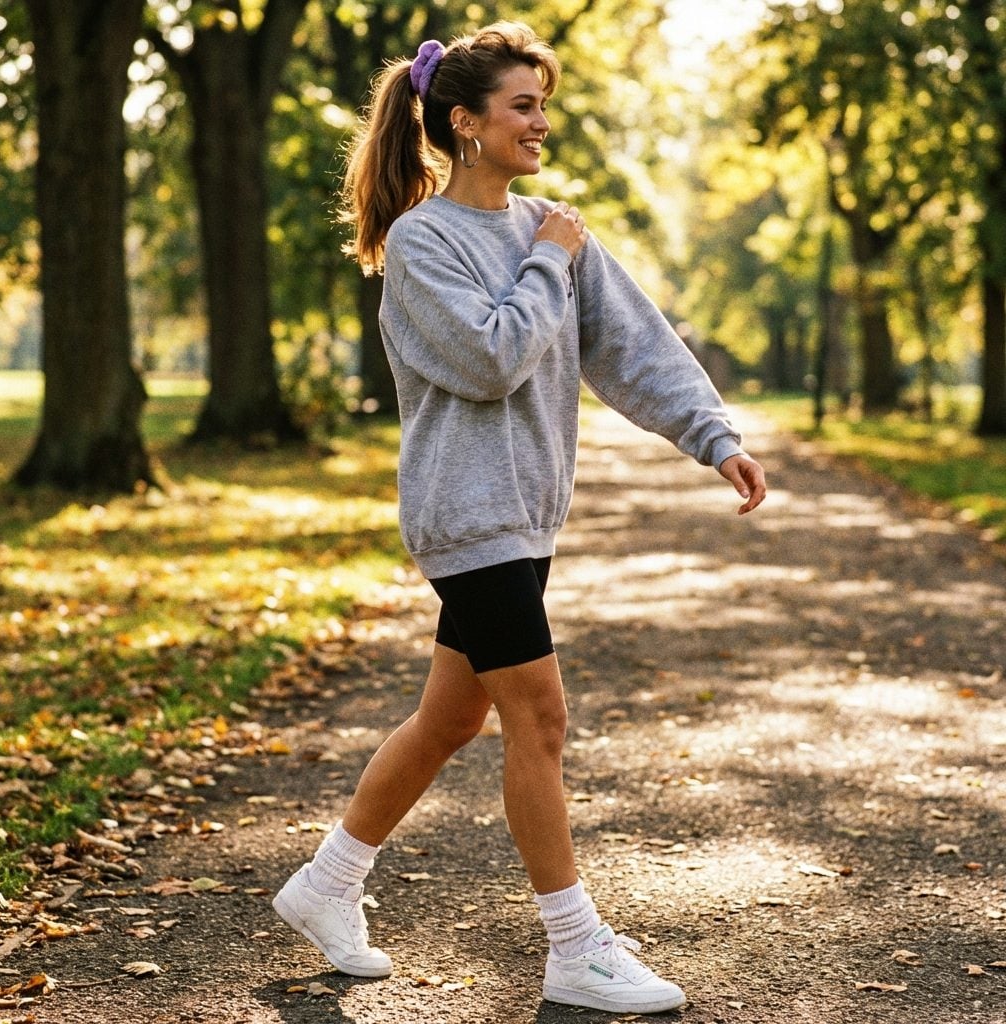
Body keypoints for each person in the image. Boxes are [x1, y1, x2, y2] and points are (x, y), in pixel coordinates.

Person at [273, 20, 766, 1015]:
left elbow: (632, 346)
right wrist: (546, 258)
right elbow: (488, 360)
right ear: (465, 123)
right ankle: (574, 947)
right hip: (466, 516)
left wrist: (712, 435)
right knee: (537, 717)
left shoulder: (553, 226)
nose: (542, 122)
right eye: (522, 106)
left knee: (452, 714)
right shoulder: (423, 241)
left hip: (525, 519)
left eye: (543, 103)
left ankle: (324, 885)